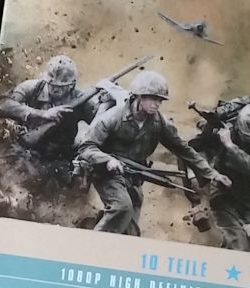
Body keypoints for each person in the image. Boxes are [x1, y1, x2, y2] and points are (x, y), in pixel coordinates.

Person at [74, 70, 221, 236]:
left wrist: (211, 173)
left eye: (160, 100)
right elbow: (86, 147)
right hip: (107, 172)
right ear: (139, 96)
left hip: (134, 176)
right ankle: (92, 244)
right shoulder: (112, 118)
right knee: (122, 207)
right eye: (153, 98)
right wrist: (107, 160)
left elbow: (183, 149)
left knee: (131, 230)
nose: (157, 104)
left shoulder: (159, 122)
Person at [0, 54, 116, 173]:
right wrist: (42, 114)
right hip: (25, 147)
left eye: (61, 87)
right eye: (51, 85)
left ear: (71, 85)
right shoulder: (33, 87)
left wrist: (106, 104)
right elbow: (2, 105)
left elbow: (101, 126)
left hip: (60, 158)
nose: (55, 89)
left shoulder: (80, 99)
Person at [197, 101, 250, 251]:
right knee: (237, 242)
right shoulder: (225, 131)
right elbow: (196, 147)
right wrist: (208, 127)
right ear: (239, 126)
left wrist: (230, 146)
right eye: (246, 134)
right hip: (224, 194)